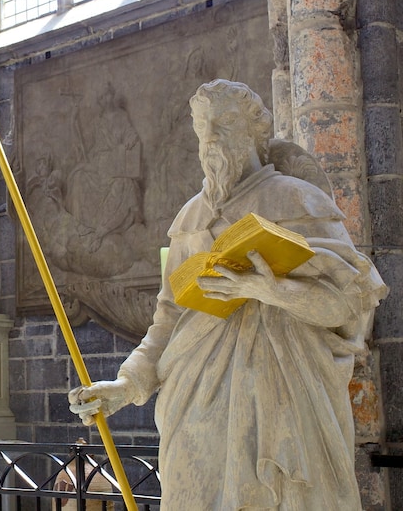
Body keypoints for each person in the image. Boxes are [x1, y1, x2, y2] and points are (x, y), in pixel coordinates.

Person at [68, 80, 387, 510]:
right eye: (204, 126)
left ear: (256, 131)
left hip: (284, 399)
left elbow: (347, 307)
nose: (213, 136)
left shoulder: (298, 199)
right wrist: (127, 385)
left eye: (227, 122)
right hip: (196, 403)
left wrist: (266, 289)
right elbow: (167, 318)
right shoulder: (189, 218)